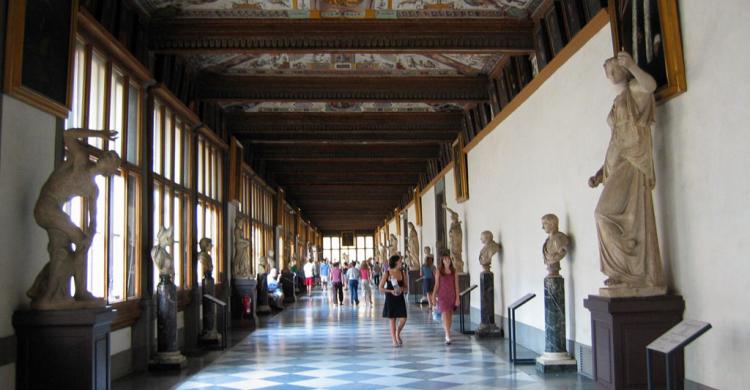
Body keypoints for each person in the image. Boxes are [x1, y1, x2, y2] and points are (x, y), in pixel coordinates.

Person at [589, 51, 665, 291]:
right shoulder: (620, 99)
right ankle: (625, 271)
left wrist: (632, 65)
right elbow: (616, 139)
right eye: (607, 71)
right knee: (617, 216)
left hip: (631, 162)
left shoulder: (634, 89)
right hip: (615, 164)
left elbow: (651, 85)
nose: (610, 74)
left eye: (613, 68)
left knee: (603, 214)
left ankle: (628, 265)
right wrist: (602, 171)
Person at [28, 128, 120, 309]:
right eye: (108, 154)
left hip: (55, 213)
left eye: (111, 159)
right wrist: (99, 134)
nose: (107, 156)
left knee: (61, 251)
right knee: (79, 240)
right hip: (46, 207)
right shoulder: (80, 160)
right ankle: (74, 293)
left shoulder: (93, 190)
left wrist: (92, 236)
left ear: (110, 171)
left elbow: (93, 220)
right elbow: (68, 134)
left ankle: (48, 292)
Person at [380, 255, 408, 347]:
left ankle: (398, 332)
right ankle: (394, 340)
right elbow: (380, 288)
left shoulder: (402, 273)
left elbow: (406, 287)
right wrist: (391, 291)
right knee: (392, 319)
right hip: (390, 298)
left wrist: (401, 289)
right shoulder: (387, 273)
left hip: (400, 297)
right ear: (395, 262)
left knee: (403, 318)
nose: (401, 262)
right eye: (400, 261)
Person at [432, 250, 459, 344]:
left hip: (451, 295)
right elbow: (436, 284)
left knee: (449, 315)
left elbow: (456, 285)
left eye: (448, 259)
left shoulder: (454, 271)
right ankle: (448, 334)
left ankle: (447, 331)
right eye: (445, 259)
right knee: (445, 314)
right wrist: (433, 296)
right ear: (442, 261)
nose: (447, 261)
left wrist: (457, 298)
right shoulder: (439, 271)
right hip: (442, 296)